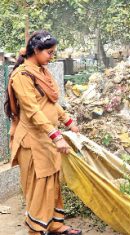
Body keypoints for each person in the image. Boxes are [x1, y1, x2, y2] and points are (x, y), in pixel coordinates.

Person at [4, 31, 82, 235]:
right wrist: (56, 136)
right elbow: (32, 110)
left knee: (52, 182)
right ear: (36, 50)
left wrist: (68, 121)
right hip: (32, 140)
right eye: (49, 52)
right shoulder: (22, 76)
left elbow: (49, 103)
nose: (52, 56)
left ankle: (54, 223)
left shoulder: (42, 71)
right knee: (39, 185)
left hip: (47, 138)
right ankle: (36, 230)